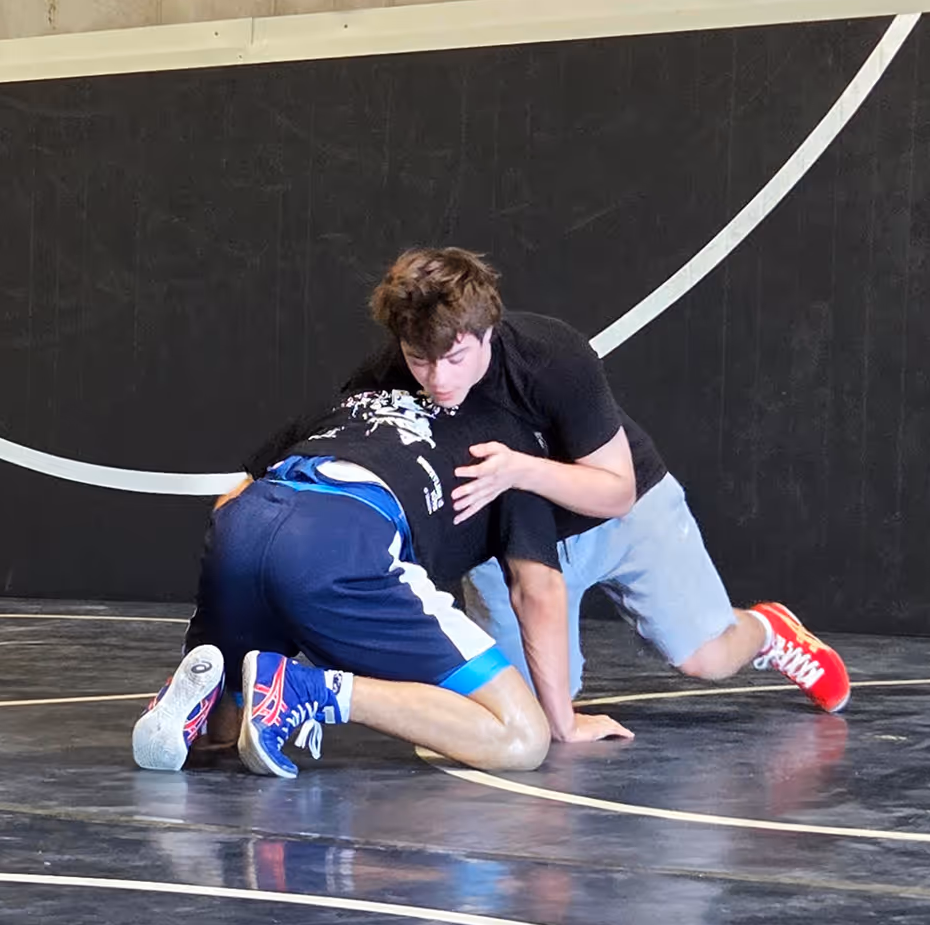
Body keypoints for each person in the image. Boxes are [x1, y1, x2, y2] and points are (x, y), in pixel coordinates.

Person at [347, 248, 848, 723]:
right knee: (528, 714)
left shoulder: (550, 355)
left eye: (455, 359)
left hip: (621, 515)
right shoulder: (384, 379)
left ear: (488, 333)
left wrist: (519, 469)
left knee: (706, 657)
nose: (436, 380)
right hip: (513, 543)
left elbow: (617, 491)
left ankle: (768, 630)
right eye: (419, 359)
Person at [132, 366, 631, 778]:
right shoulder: (511, 453)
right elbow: (537, 589)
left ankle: (203, 704)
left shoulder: (353, 402)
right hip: (342, 542)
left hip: (245, 524)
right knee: (521, 736)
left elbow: (229, 500)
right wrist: (563, 722)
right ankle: (306, 688)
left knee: (230, 723)